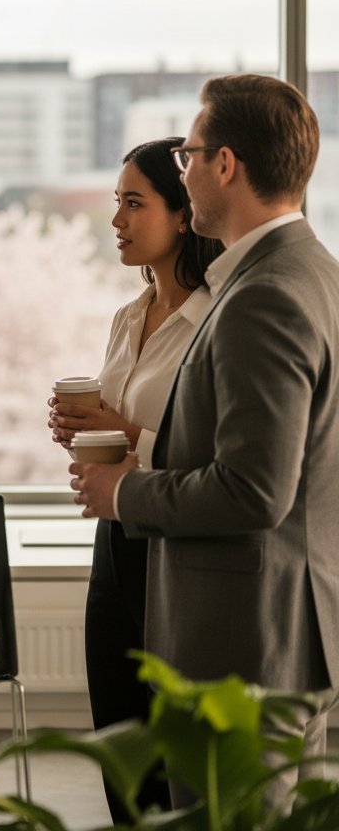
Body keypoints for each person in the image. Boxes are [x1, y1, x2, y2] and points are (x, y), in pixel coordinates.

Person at [71, 74, 339, 806]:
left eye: (188, 155)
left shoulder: (266, 296)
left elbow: (254, 489)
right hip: (273, 628)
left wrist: (123, 488)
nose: (182, 171)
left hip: (244, 642)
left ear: (225, 164)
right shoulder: (310, 272)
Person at [49, 136, 222, 821]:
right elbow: (120, 421)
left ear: (183, 213)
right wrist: (81, 428)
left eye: (133, 203)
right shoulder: (127, 317)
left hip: (181, 546)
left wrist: (124, 435)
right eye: (114, 203)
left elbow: (219, 452)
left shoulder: (217, 318)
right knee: (121, 749)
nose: (117, 220)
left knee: (181, 759)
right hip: (114, 545)